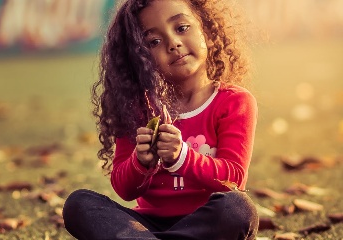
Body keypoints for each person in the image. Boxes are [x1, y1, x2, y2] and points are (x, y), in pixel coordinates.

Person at [63, 0, 259, 239]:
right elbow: (123, 188)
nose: (173, 43)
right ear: (139, 57)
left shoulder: (234, 102)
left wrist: (182, 157)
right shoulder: (136, 109)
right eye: (154, 42)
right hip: (145, 227)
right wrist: (141, 162)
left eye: (182, 28)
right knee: (79, 204)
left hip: (206, 223)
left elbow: (234, 178)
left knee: (237, 208)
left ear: (206, 30)